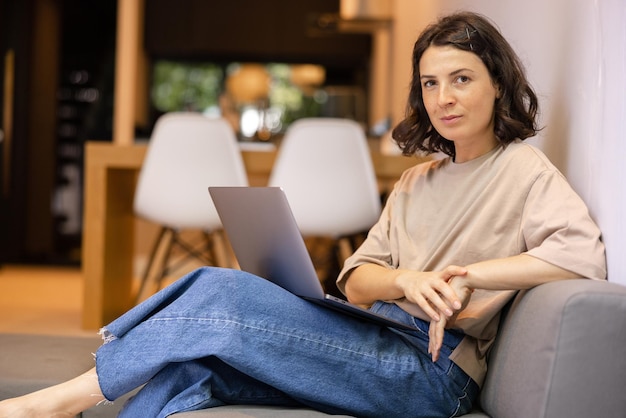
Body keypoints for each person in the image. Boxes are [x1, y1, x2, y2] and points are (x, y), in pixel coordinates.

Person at [0, 11, 606, 418]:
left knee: (224, 295)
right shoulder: (418, 181)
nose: (443, 99)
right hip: (378, 335)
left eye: (461, 80)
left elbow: (581, 258)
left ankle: (58, 401)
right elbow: (357, 279)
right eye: (429, 83)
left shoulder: (524, 171)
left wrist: (469, 274)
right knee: (195, 368)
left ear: (497, 84)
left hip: (432, 372)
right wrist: (407, 281)